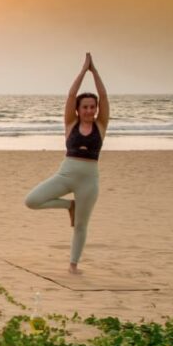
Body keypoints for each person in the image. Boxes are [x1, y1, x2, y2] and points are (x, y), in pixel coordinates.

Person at [25, 53, 109, 274]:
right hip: (66, 174)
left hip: (89, 181)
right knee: (32, 200)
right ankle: (68, 205)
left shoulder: (100, 125)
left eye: (93, 107)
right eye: (85, 107)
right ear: (78, 110)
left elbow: (104, 96)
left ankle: (73, 265)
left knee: (81, 225)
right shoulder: (70, 123)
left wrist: (96, 71)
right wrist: (83, 70)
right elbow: (71, 94)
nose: (89, 110)